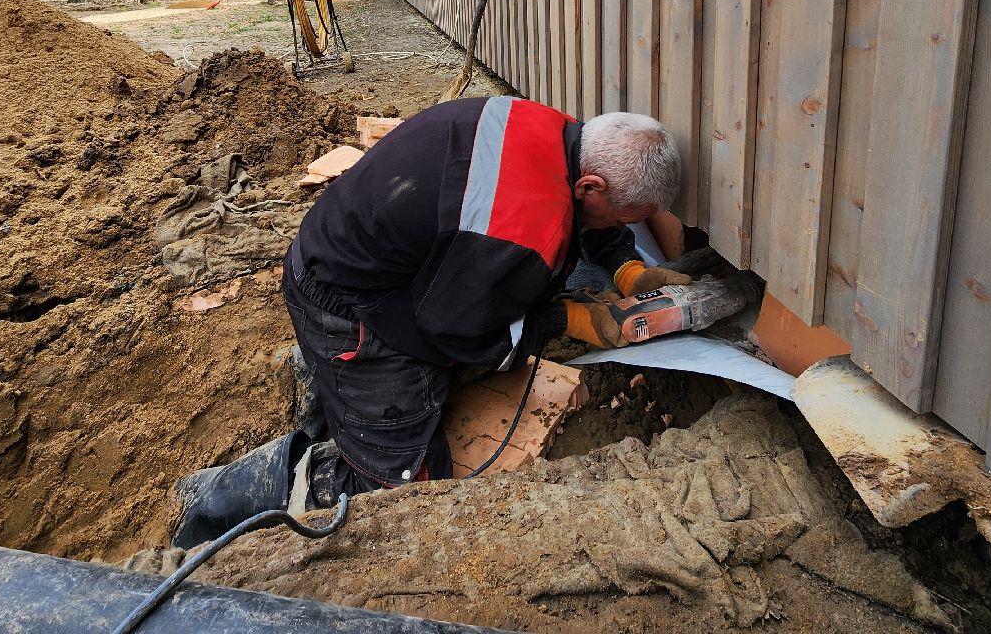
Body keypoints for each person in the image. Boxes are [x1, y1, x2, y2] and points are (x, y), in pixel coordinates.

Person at [169, 96, 686, 548]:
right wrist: (565, 318)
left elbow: (573, 217)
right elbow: (455, 330)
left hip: (354, 252)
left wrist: (626, 267)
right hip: (345, 307)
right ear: (590, 183)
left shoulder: (551, 129)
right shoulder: (522, 231)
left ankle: (331, 389)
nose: (621, 228)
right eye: (621, 221)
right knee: (397, 484)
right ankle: (212, 502)